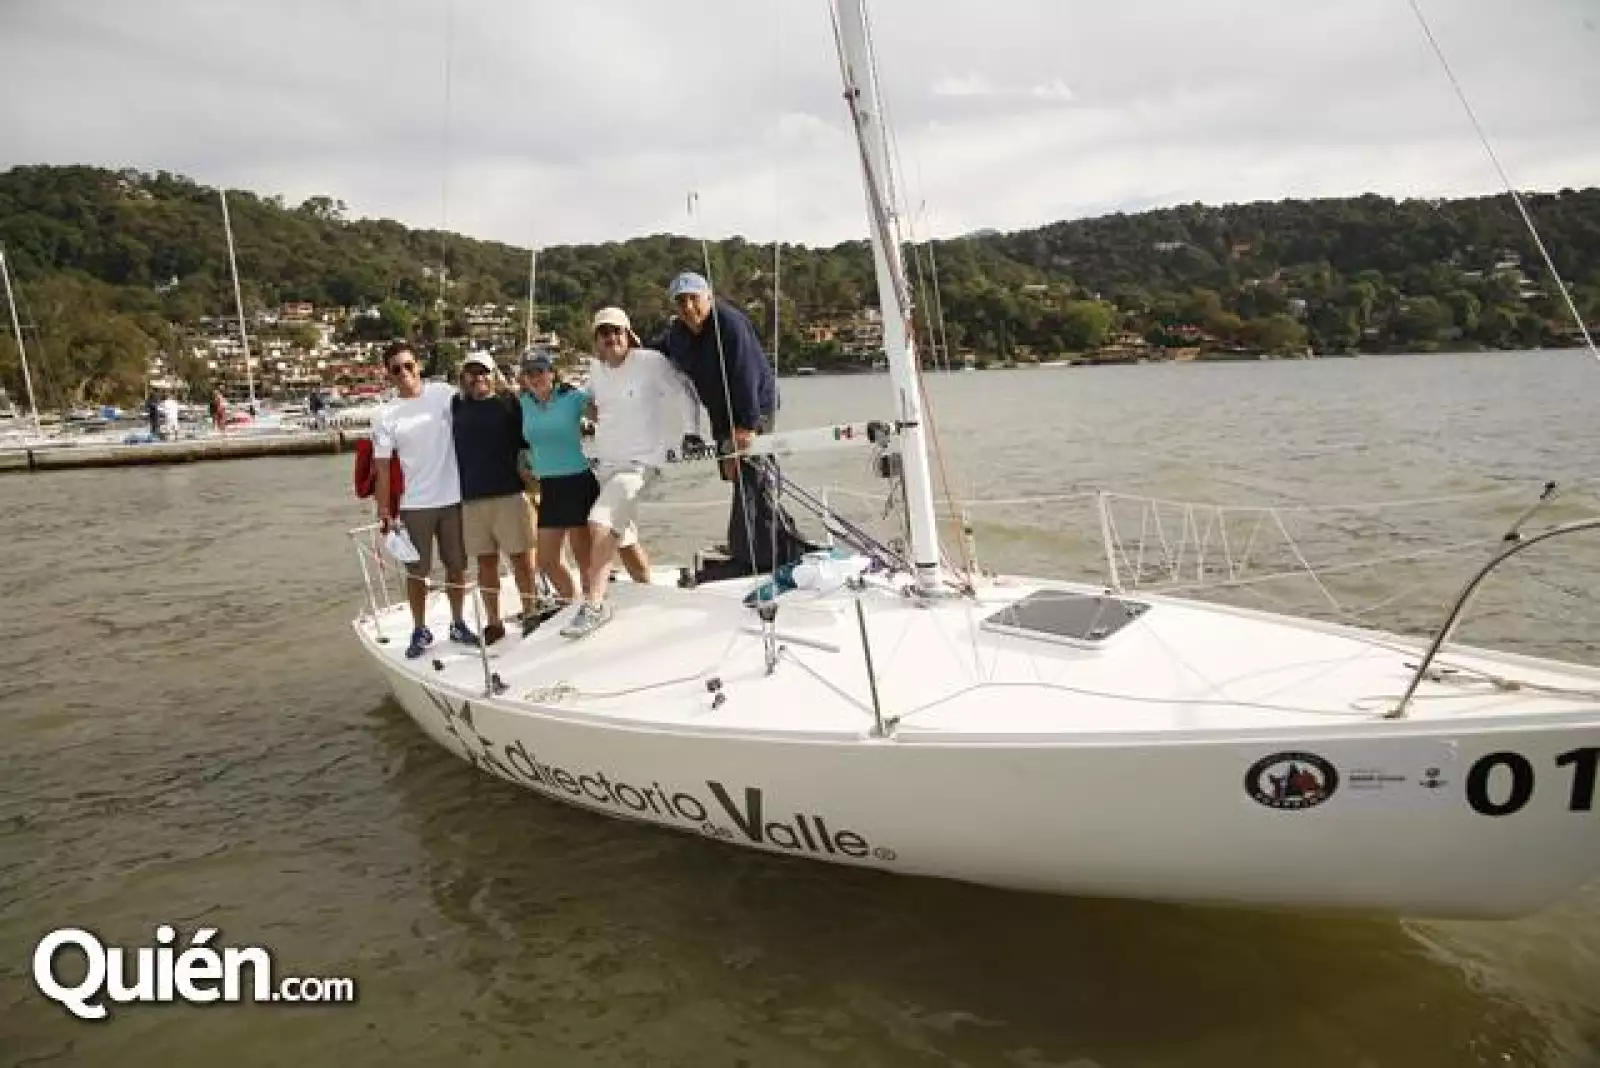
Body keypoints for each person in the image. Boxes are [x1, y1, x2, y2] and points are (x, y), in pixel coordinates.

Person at [654, 271, 813, 580]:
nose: (688, 307)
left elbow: (746, 372)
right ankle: (765, 544)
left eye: (693, 299)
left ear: (708, 298)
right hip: (721, 414)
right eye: (681, 301)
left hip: (752, 406)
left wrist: (748, 425)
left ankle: (757, 556)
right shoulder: (679, 333)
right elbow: (659, 350)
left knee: (751, 473)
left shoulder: (729, 323)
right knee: (736, 476)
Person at [560, 307, 700, 639]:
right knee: (623, 537)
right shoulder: (595, 371)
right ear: (595, 340)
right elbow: (592, 406)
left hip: (640, 465)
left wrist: (691, 432)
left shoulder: (649, 362)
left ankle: (594, 604)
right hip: (606, 466)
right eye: (604, 334)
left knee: (600, 523)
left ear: (628, 334)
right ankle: (647, 588)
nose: (611, 339)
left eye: (617, 332)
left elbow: (685, 391)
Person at [517, 349, 652, 607]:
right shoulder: (523, 404)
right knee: (546, 560)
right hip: (549, 488)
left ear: (551, 373)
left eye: (540, 371)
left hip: (577, 483)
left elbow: (609, 416)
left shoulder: (572, 397)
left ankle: (594, 605)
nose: (536, 377)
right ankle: (573, 603)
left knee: (585, 559)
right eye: (530, 373)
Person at [371, 340, 479, 659]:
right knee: (417, 573)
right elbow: (382, 469)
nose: (404, 373)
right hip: (414, 505)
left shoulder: (443, 394)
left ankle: (458, 623)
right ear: (388, 375)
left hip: (453, 499)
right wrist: (385, 511)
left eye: (408, 365)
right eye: (396, 369)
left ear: (418, 366)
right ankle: (420, 629)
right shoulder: (385, 414)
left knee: (457, 567)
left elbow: (476, 402)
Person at [452, 352, 539, 644]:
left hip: (510, 495)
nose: (478, 378)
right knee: (485, 564)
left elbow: (530, 437)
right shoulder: (455, 407)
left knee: (522, 560)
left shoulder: (509, 404)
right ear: (463, 377)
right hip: (472, 499)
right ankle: (493, 622)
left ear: (493, 375)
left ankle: (530, 613)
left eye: (484, 372)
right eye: (472, 372)